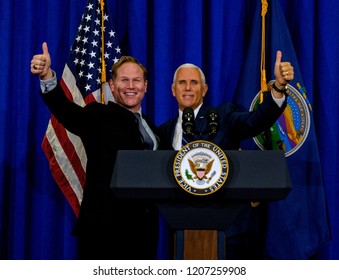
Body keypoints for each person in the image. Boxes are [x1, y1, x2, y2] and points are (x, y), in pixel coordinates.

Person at [31, 42, 165, 260]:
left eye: (136, 80)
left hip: (144, 232)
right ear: (111, 86)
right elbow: (67, 112)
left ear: (146, 86)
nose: (131, 86)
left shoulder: (153, 129)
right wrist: (47, 77)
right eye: (124, 80)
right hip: (104, 232)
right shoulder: (98, 116)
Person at [159, 50, 294, 259]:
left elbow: (255, 120)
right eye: (182, 83)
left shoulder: (223, 117)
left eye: (194, 83)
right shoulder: (164, 131)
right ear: (173, 90)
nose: (187, 88)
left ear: (204, 90)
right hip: (180, 230)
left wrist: (278, 88)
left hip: (225, 230)